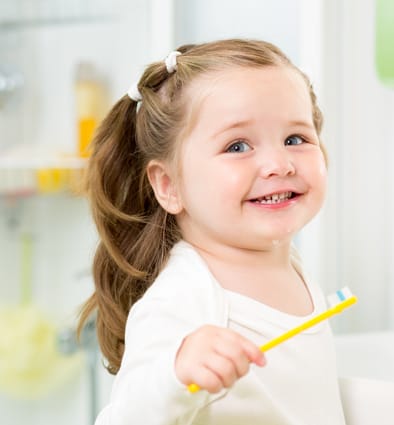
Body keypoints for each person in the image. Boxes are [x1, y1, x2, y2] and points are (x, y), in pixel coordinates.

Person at [77, 39, 346, 424]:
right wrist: (176, 373)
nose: (279, 163)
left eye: (295, 139)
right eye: (237, 146)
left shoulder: (290, 266)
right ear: (169, 185)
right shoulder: (184, 296)